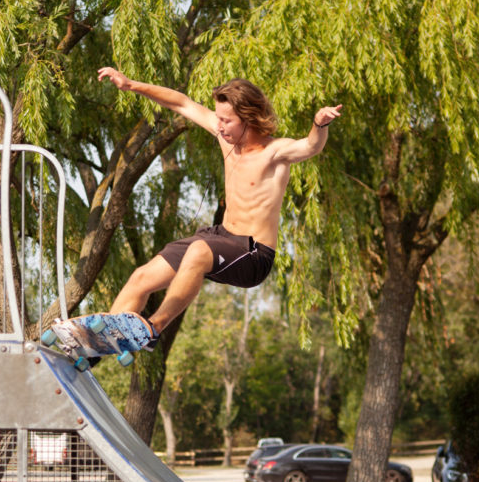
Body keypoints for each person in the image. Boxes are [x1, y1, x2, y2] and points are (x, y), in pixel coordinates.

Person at [97, 66, 342, 345]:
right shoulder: (226, 137)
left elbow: (310, 146)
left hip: (253, 253)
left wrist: (319, 124)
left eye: (226, 120)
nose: (220, 126)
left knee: (199, 250)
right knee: (141, 277)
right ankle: (98, 345)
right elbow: (181, 103)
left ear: (248, 118)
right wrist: (130, 84)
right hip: (220, 238)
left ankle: (153, 328)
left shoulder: (274, 152)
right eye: (218, 119)